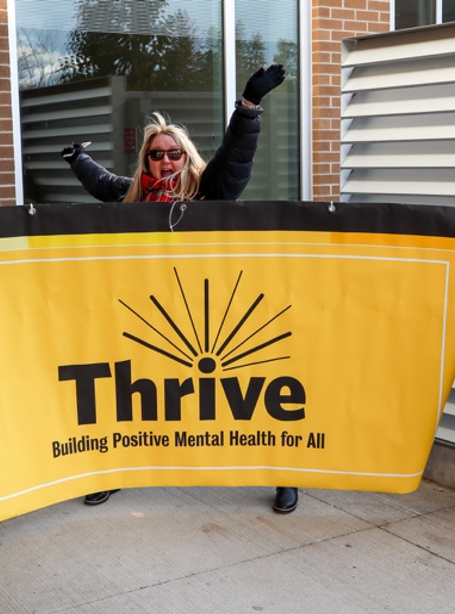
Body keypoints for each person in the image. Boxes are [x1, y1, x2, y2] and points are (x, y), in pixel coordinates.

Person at [61, 64, 299, 514]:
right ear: (145, 161)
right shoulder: (134, 199)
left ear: (186, 158)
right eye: (156, 155)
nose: (165, 161)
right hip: (155, 313)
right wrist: (78, 159)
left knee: (248, 392)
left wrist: (249, 106)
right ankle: (112, 468)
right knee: (126, 391)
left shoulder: (211, 190)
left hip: (215, 310)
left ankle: (282, 471)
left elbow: (235, 158)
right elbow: (103, 185)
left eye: (174, 153)